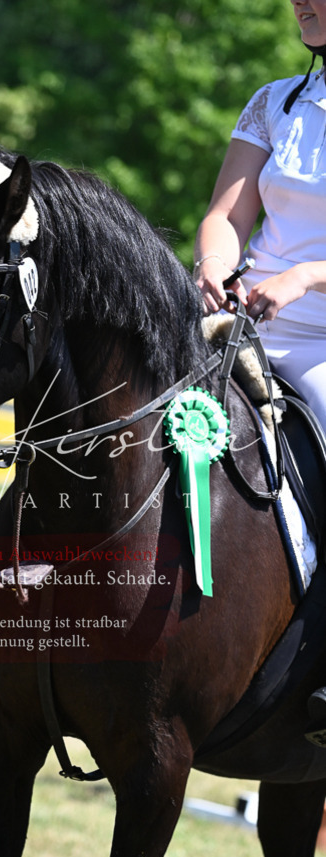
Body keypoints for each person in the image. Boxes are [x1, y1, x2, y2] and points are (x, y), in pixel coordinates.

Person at [194, 0, 326, 741]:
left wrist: (304, 277)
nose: (302, 1)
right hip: (241, 320)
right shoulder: (275, 101)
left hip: (321, 339)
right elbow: (227, 215)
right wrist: (216, 265)